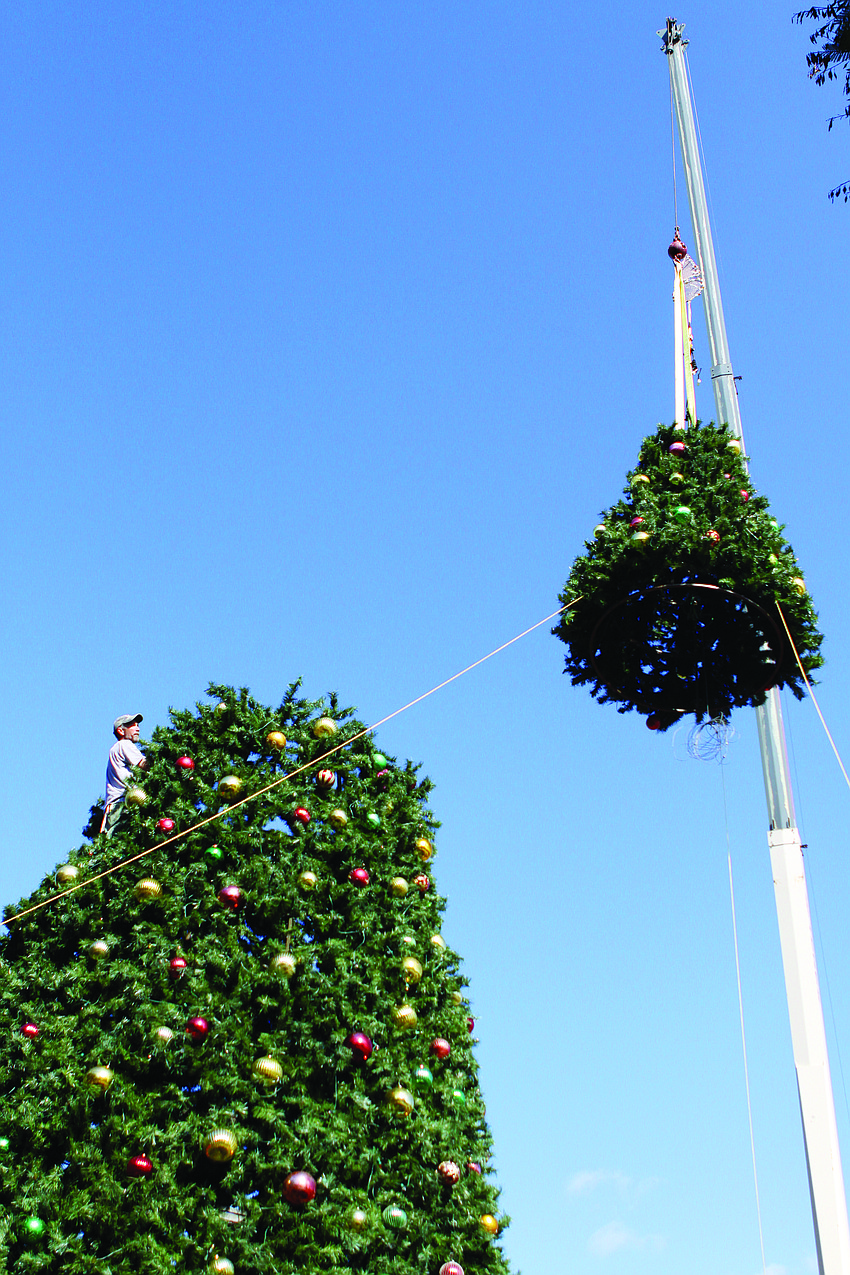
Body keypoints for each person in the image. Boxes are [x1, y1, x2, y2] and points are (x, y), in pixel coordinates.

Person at [102, 714, 150, 837]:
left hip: (114, 806)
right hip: (122, 804)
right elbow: (145, 765)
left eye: (138, 725)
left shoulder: (114, 749)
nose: (137, 728)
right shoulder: (124, 744)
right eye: (132, 725)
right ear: (121, 730)